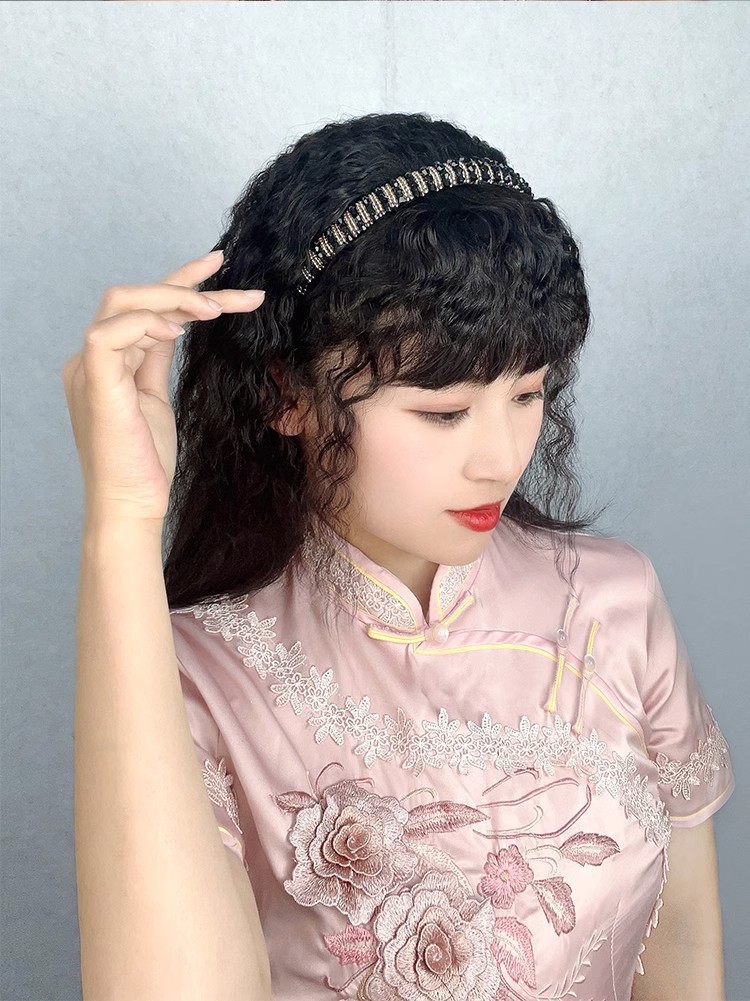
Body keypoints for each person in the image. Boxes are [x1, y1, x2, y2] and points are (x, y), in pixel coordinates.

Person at [65, 112, 735, 1001]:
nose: (501, 458)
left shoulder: (615, 600)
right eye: (442, 412)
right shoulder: (199, 673)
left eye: (527, 393)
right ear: (288, 394)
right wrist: (120, 522)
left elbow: (682, 942)